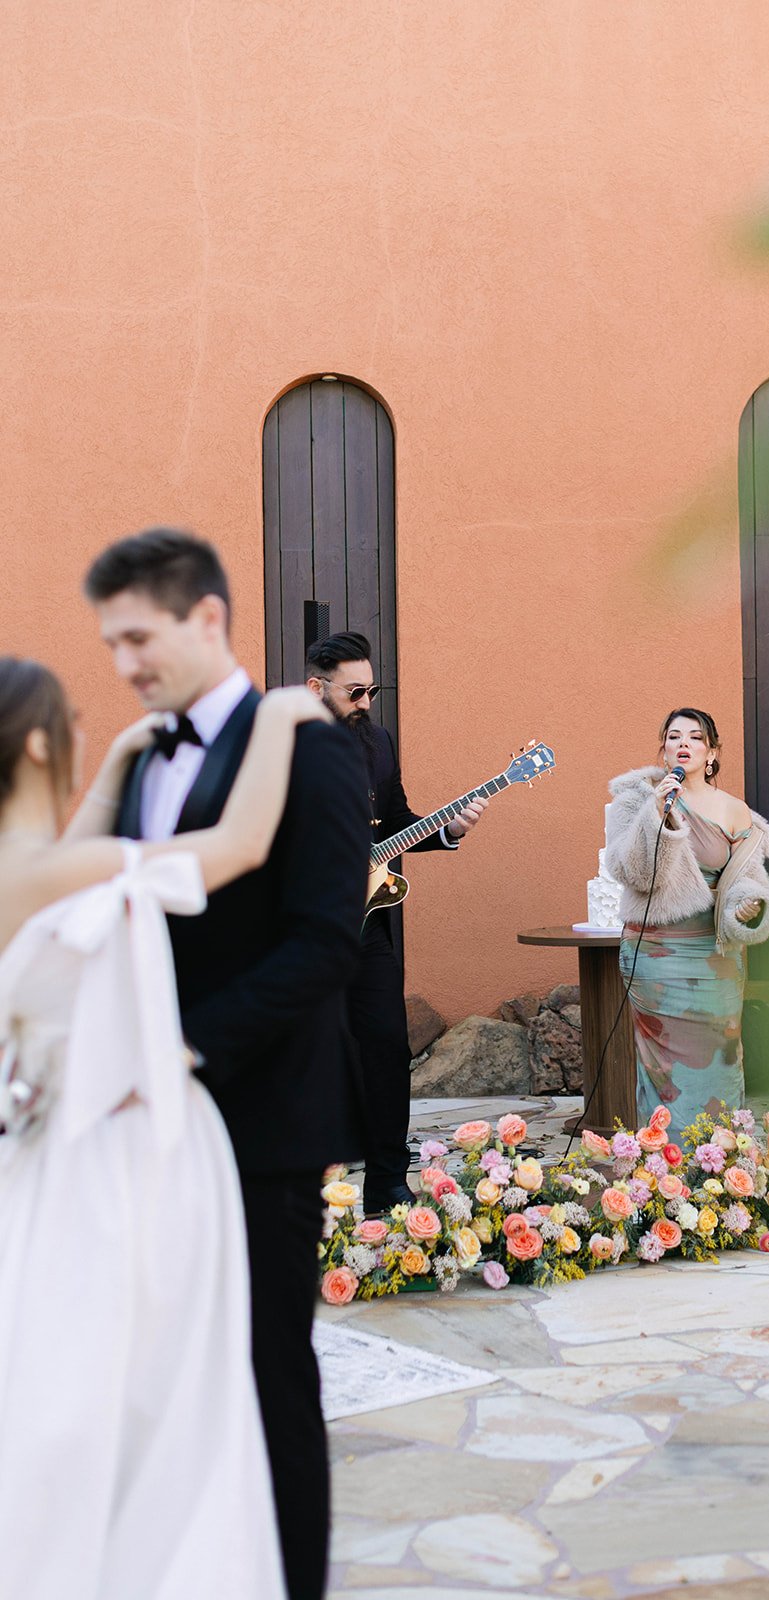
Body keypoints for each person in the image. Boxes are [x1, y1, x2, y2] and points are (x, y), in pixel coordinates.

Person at [0, 655, 329, 1599]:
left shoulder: (36, 870)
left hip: (34, 1169)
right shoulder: (60, 872)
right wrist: (277, 722)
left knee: (58, 1392)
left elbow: (65, 864)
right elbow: (234, 846)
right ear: (34, 742)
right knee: (164, 1399)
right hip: (118, 1165)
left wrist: (109, 769)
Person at [83, 531, 371, 1600]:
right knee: (164, 1386)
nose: (123, 663)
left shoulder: (308, 741)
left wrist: (181, 1049)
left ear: (206, 620)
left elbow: (322, 941)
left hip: (261, 1121)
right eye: (109, 642)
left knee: (264, 1381)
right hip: (136, 1122)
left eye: (138, 636)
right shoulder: (140, 753)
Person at [305, 631, 487, 1213]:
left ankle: (386, 1182)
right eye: (355, 692)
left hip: (369, 928)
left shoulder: (377, 742)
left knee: (386, 1047)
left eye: (372, 690)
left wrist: (449, 831)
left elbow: (398, 822)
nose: (366, 702)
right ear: (318, 689)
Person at [605, 707, 769, 1125]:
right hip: (655, 954)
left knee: (722, 1058)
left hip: (715, 954)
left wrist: (747, 905)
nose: (684, 744)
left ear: (711, 752)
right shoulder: (636, 800)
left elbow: (746, 879)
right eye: (674, 736)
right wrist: (658, 817)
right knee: (665, 1073)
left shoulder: (736, 811)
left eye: (695, 737)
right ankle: (665, 1174)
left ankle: (719, 1166)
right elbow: (634, 874)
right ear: (663, 749)